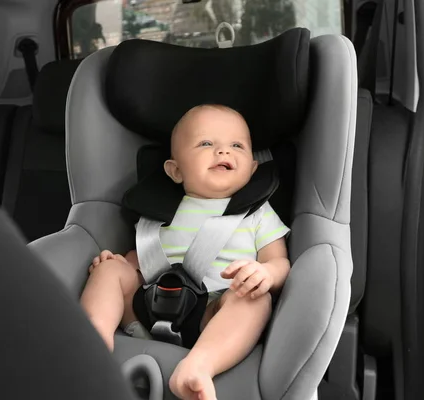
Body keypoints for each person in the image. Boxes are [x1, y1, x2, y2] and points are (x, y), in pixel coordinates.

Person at [80, 104, 291, 400]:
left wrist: (266, 273)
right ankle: (93, 342)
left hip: (212, 316)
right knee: (108, 270)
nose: (223, 152)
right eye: (207, 143)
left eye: (237, 146)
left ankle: (199, 365)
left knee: (255, 301)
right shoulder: (158, 210)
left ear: (253, 168)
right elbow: (139, 260)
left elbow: (279, 261)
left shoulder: (258, 214)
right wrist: (116, 266)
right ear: (175, 170)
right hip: (146, 307)